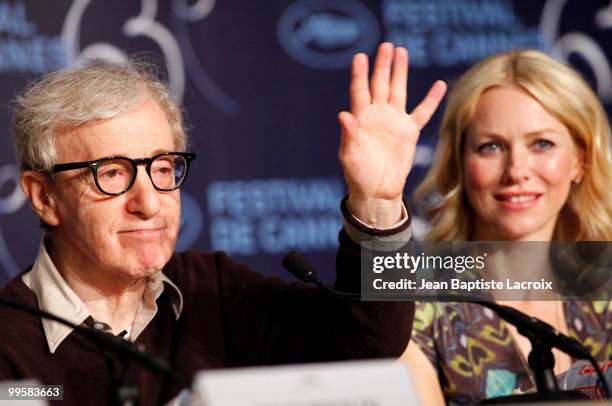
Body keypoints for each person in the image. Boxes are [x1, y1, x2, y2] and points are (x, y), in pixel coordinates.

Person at [0, 44, 446, 405]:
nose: (149, 203)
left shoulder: (209, 288)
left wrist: (379, 205)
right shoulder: (9, 342)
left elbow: (370, 340)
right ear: (44, 196)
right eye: (112, 173)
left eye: (162, 167)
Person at [394, 49, 612, 405]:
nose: (517, 171)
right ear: (460, 163)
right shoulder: (415, 309)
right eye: (491, 147)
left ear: (580, 161)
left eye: (542, 144)